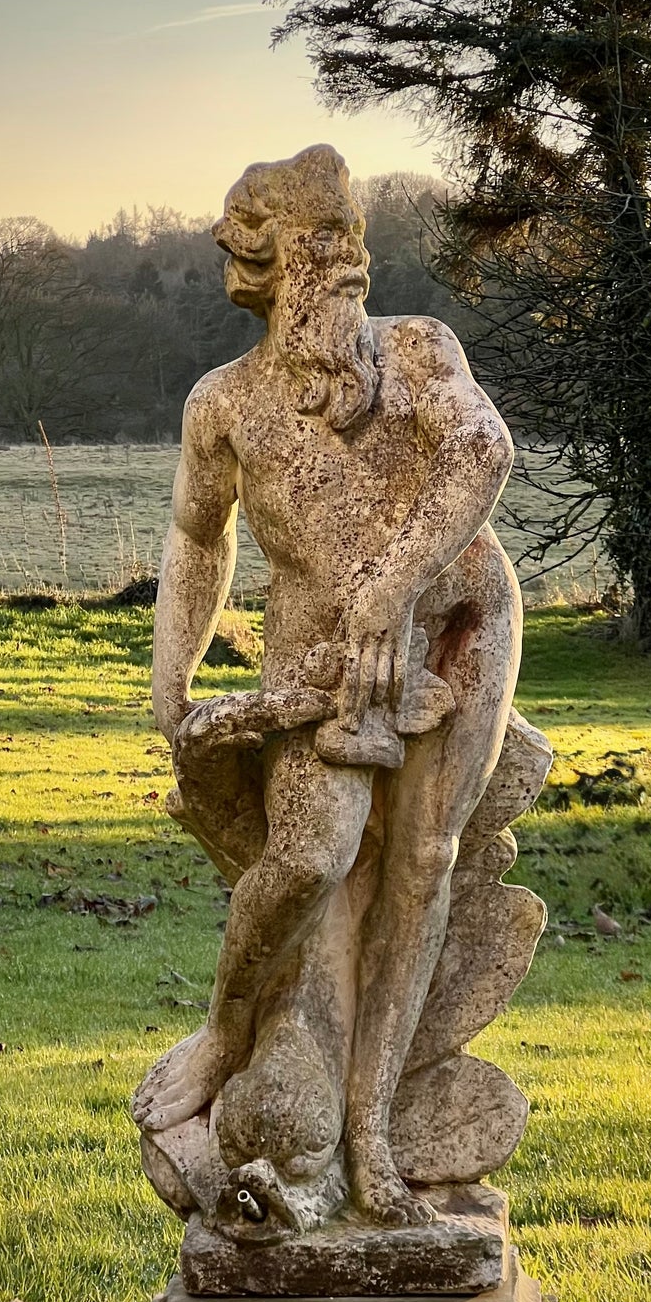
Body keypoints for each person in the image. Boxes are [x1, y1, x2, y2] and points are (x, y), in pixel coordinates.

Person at [132, 145, 523, 1227]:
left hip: (453, 621)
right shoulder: (224, 404)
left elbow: (481, 450)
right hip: (314, 664)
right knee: (306, 853)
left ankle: (370, 1127)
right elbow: (192, 537)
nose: (226, 240)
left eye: (251, 218)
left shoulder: (416, 348)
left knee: (422, 860)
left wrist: (391, 587)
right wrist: (172, 687)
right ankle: (225, 1028)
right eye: (235, 220)